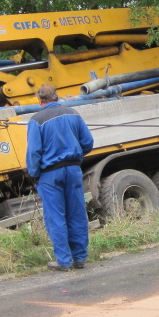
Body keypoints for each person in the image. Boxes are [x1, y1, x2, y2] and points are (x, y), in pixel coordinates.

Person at [27, 84, 95, 271]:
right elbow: (88, 142)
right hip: (73, 170)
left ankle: (63, 261)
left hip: (50, 174)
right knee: (77, 214)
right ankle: (80, 258)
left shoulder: (36, 119)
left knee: (56, 216)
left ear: (40, 100)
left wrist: (34, 174)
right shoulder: (73, 113)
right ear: (56, 97)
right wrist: (76, 155)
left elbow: (34, 152)